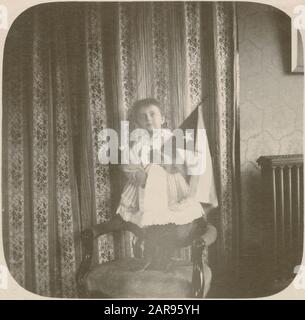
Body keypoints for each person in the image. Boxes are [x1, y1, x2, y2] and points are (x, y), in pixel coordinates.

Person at [92, 98, 217, 270]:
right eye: (143, 116)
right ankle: (151, 256)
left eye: (152, 114)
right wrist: (139, 174)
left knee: (172, 220)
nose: (148, 119)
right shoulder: (135, 143)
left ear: (163, 118)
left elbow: (186, 163)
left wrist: (173, 164)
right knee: (150, 222)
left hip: (171, 189)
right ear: (137, 123)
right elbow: (128, 165)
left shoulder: (172, 138)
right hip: (144, 189)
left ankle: (165, 256)